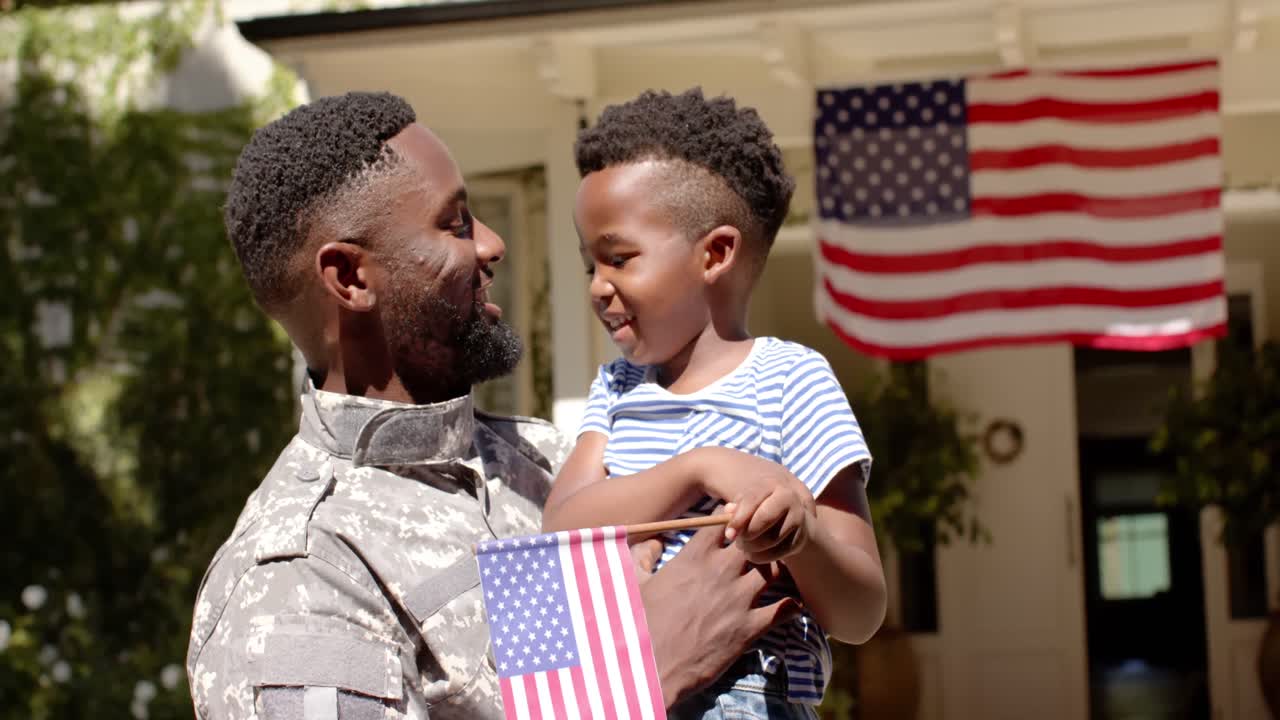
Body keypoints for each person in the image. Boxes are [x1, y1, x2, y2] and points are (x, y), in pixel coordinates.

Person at [186, 91, 803, 720]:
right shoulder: (302, 574)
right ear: (350, 278)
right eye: (453, 224)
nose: (492, 243)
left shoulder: (550, 461)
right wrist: (641, 676)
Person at [540, 89, 888, 719]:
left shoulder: (791, 380)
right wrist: (698, 468)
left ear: (716, 254)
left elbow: (861, 612)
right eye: (589, 263)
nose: (598, 285)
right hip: (629, 690)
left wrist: (801, 537)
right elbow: (562, 527)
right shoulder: (617, 389)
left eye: (619, 258)